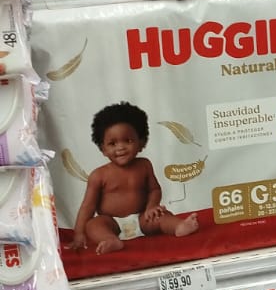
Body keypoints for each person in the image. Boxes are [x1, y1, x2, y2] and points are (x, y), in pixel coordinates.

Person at [72, 101, 199, 254]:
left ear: (141, 142)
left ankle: (179, 226)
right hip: (112, 223)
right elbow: (88, 207)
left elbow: (154, 190)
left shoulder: (144, 165)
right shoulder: (98, 175)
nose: (120, 147)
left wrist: (151, 207)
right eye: (112, 143)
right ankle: (110, 240)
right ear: (103, 148)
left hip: (142, 218)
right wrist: (79, 234)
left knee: (162, 215)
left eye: (128, 141)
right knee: (93, 225)